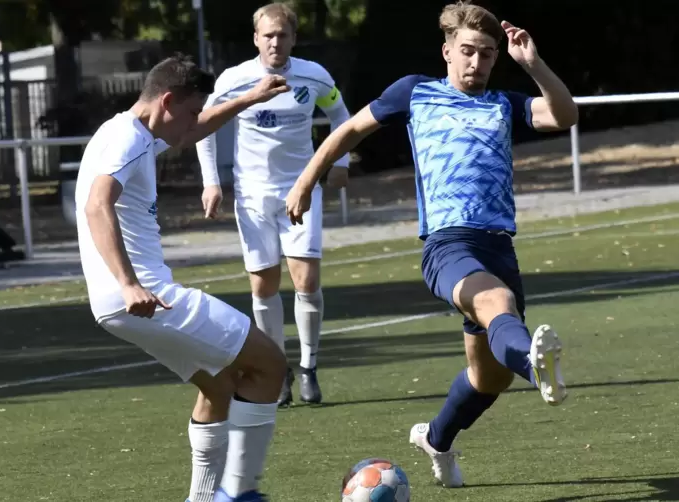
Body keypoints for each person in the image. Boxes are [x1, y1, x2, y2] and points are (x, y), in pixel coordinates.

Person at [285, 1, 578, 488]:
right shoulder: (415, 92)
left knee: (487, 379)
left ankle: (436, 439)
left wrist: (533, 65)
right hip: (446, 245)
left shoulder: (504, 103)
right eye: (467, 51)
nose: (477, 63)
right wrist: (305, 181)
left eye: (487, 54)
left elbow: (564, 115)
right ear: (447, 51)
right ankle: (535, 364)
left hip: (499, 247)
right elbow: (350, 130)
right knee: (497, 301)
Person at [75, 53, 291, 502]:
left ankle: (203, 498)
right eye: (190, 110)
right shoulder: (126, 140)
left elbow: (194, 129)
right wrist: (130, 282)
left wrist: (248, 99)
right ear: (167, 101)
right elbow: (98, 205)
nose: (191, 125)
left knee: (218, 386)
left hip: (119, 304)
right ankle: (239, 491)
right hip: (144, 296)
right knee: (269, 362)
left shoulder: (130, 131)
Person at [196, 3, 352, 408]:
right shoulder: (236, 80)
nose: (275, 42)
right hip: (252, 197)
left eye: (282, 35)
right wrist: (213, 182)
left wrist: (341, 161)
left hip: (300, 190)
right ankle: (277, 369)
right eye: (268, 35)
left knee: (306, 281)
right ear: (256, 39)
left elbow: (341, 115)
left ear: (293, 38)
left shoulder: (313, 76)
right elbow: (204, 127)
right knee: (263, 285)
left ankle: (309, 368)